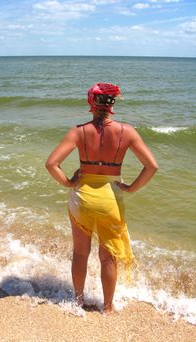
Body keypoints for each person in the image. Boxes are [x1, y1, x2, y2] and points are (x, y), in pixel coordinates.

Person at [45, 82, 158, 314]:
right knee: (108, 258)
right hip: (111, 200)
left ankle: (77, 301)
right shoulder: (127, 132)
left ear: (91, 102)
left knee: (80, 253)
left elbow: (51, 164)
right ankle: (107, 307)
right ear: (112, 104)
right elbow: (151, 167)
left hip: (82, 198)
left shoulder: (79, 131)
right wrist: (130, 188)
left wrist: (68, 182)